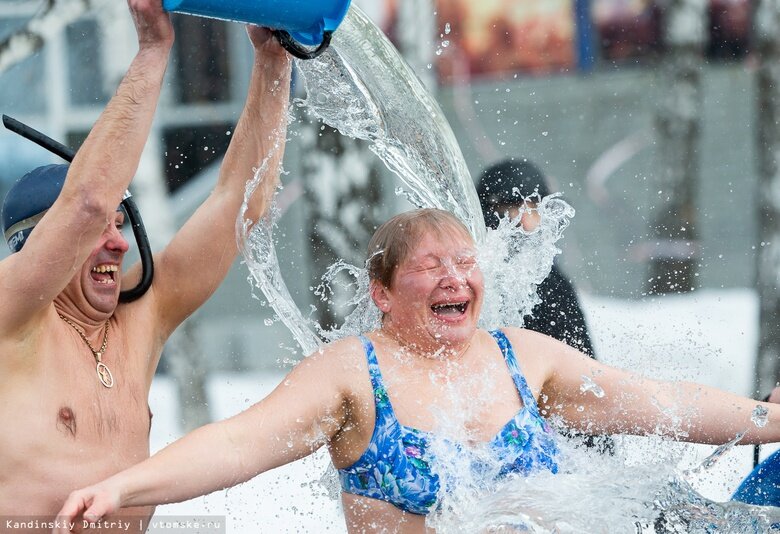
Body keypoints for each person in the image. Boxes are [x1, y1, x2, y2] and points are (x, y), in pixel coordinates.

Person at [56, 208, 780, 533]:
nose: (454, 277)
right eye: (430, 266)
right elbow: (238, 444)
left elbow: (657, 403)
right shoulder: (351, 376)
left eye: (465, 263)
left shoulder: (518, 357)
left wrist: (765, 419)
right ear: (381, 293)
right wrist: (122, 486)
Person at [0, 0, 290, 529]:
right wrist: (154, 50)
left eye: (120, 224)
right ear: (37, 247)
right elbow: (86, 201)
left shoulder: (141, 317)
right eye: (96, 232)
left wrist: (273, 61)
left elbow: (238, 205)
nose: (119, 245)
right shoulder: (11, 317)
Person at [477, 158, 595, 357]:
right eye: (510, 208)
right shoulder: (462, 278)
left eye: (533, 208)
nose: (525, 222)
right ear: (485, 212)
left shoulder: (556, 288)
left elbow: (586, 372)